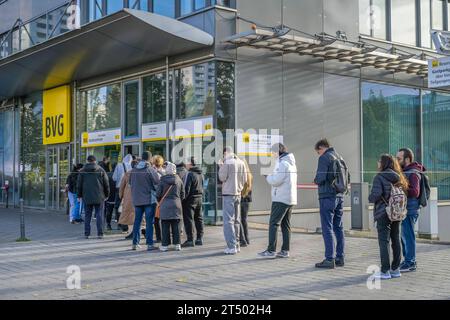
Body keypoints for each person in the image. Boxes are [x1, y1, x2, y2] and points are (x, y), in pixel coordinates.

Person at [369, 154, 409, 280]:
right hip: (397, 213)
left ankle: (385, 271)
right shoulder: (399, 177)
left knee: (384, 241)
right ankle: (395, 269)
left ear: (384, 163)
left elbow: (375, 196)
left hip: (383, 212)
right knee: (396, 240)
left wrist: (370, 197)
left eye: (379, 161)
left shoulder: (379, 177)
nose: (377, 163)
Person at [258, 143, 297, 259]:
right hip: (290, 199)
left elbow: (276, 181)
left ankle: (271, 250)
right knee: (286, 225)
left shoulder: (282, 163)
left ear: (277, 152)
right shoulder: (291, 163)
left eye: (272, 152)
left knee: (273, 224)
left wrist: (267, 176)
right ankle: (285, 250)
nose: (272, 155)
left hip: (280, 198)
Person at [313, 139, 345, 269]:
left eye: (318, 151)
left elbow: (320, 178)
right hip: (339, 195)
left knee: (327, 227)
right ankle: (340, 257)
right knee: (339, 227)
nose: (318, 154)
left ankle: (329, 259)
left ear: (322, 147)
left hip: (327, 196)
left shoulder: (325, 157)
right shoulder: (339, 157)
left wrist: (316, 180)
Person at [396, 148, 426, 272]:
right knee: (404, 236)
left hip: (410, 209)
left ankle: (410, 262)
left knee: (408, 236)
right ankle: (408, 260)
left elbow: (415, 191)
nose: (396, 161)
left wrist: (400, 188)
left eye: (399, 158)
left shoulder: (413, 173)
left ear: (407, 159)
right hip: (406, 208)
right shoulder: (405, 171)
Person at [218, 147, 247, 255]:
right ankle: (237, 244)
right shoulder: (241, 162)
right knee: (236, 220)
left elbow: (222, 177)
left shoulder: (227, 163)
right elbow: (245, 179)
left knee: (228, 221)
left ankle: (231, 246)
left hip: (228, 194)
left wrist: (221, 166)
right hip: (238, 194)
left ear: (226, 153)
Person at [129, 151, 160, 251]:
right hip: (148, 199)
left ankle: (135, 243)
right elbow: (157, 182)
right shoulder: (149, 169)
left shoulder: (133, 170)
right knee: (149, 222)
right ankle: (150, 244)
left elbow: (130, 183)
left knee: (137, 221)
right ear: (150, 159)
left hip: (137, 199)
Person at [77, 155, 110, 239]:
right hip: (99, 196)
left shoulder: (82, 171)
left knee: (87, 215)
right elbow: (106, 184)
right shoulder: (101, 170)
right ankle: (100, 233)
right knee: (99, 215)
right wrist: (107, 195)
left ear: (87, 161)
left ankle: (87, 233)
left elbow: (79, 185)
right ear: (95, 161)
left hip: (86, 196)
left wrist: (79, 195)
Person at [156, 162, 185, 252]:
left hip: (165, 204)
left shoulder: (162, 180)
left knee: (165, 225)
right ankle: (177, 244)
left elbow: (158, 194)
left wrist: (160, 200)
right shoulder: (179, 180)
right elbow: (183, 194)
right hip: (176, 205)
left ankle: (165, 245)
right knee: (176, 225)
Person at [181, 157, 205, 248]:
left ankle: (190, 239)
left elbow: (186, 189)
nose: (185, 165)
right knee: (199, 218)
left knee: (189, 219)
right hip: (199, 198)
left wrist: (183, 199)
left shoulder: (189, 174)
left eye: (186, 163)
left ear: (190, 164)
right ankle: (199, 238)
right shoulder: (201, 173)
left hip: (190, 200)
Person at [113, 154, 133, 231]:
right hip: (128, 190)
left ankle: (119, 223)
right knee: (126, 206)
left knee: (118, 206)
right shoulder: (131, 167)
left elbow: (114, 178)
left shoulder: (119, 165)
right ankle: (126, 224)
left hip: (119, 188)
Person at [119, 159, 138, 240]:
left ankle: (133, 232)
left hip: (129, 198)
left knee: (131, 216)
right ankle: (142, 231)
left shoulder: (128, 173)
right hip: (141, 197)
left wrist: (121, 196)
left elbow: (121, 186)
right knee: (139, 215)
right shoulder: (142, 173)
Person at [152, 155, 165, 243]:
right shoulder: (165, 172)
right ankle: (163, 236)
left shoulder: (154, 173)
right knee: (163, 219)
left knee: (156, 219)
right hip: (164, 197)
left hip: (156, 198)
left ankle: (159, 237)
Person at [240, 158, 253, 247]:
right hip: (247, 200)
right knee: (244, 220)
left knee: (238, 220)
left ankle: (242, 240)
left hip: (241, 198)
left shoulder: (241, 174)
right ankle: (247, 239)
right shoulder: (250, 175)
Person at [104, 164, 117, 231]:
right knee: (118, 210)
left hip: (109, 195)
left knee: (109, 211)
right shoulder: (119, 174)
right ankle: (119, 224)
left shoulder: (107, 174)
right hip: (117, 195)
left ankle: (108, 224)